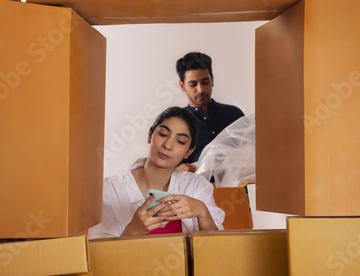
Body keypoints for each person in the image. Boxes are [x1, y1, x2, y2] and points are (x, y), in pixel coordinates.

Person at [88, 106, 225, 239]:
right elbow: (98, 255)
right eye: (163, 134)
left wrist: (203, 212)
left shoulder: (197, 187)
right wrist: (133, 231)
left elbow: (216, 252)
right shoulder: (109, 190)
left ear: (188, 152)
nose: (168, 145)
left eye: (180, 141)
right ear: (149, 135)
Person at [176, 52, 244, 172]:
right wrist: (176, 170)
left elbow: (252, 154)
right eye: (193, 84)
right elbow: (163, 166)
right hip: (196, 189)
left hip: (236, 189)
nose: (200, 89)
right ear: (182, 86)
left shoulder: (234, 115)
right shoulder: (177, 124)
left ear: (212, 80)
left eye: (205, 82)